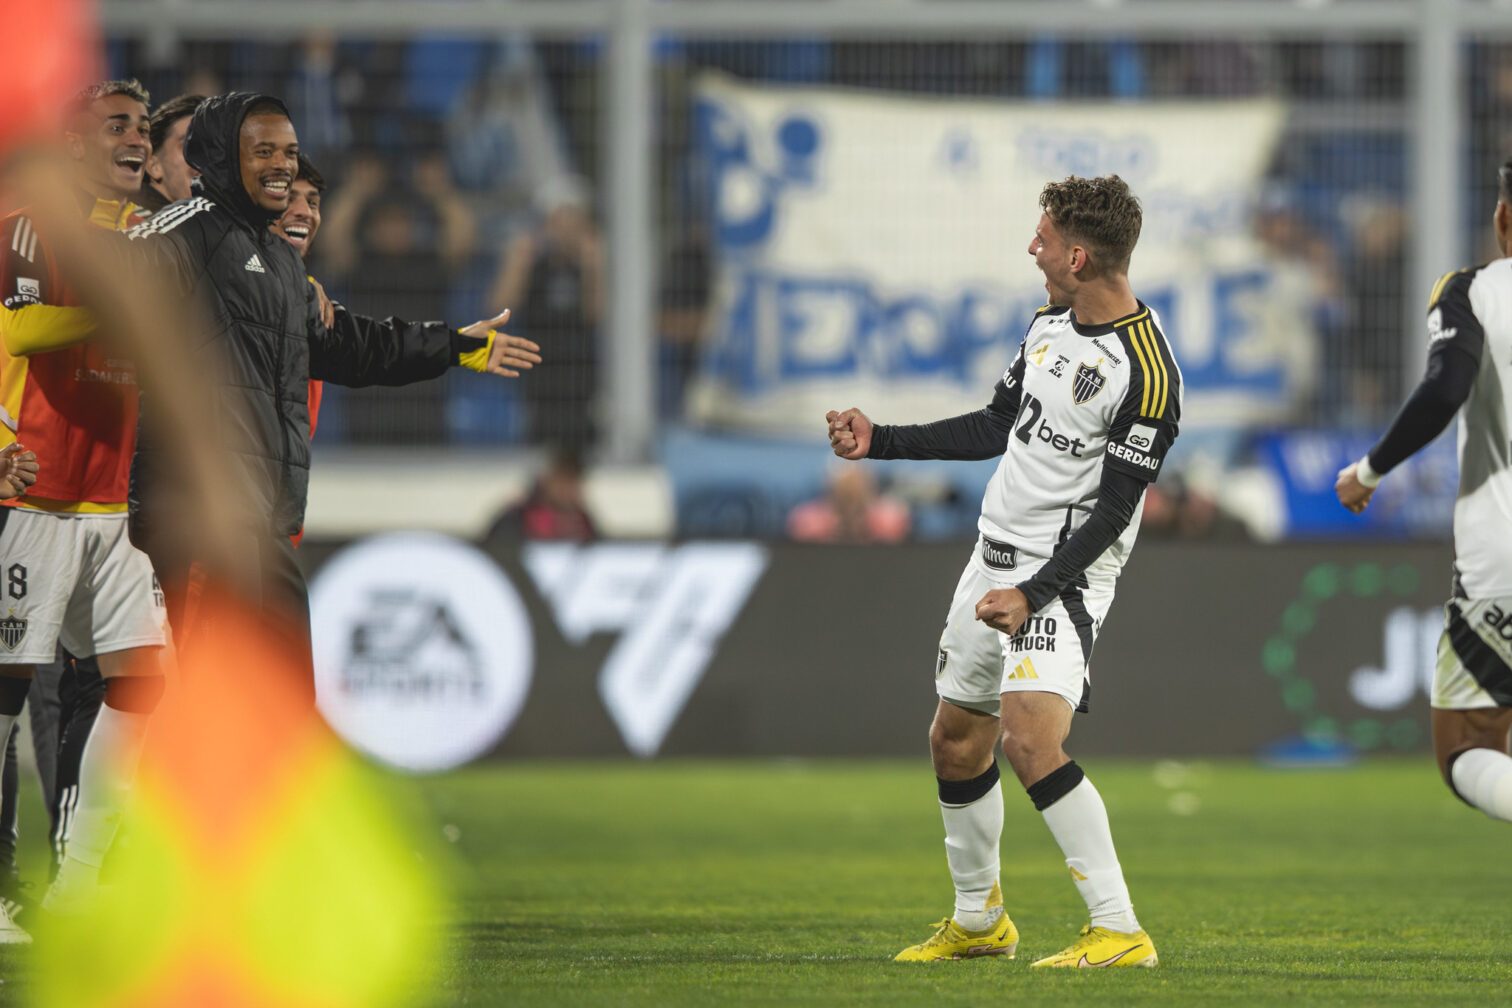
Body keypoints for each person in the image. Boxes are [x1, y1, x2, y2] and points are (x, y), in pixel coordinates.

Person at [826, 175, 1180, 968]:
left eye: (1043, 238)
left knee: (1029, 739)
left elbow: (1113, 515)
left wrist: (1032, 593)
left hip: (1061, 579)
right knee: (956, 742)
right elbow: (996, 425)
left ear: (1077, 257)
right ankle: (979, 922)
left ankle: (1120, 929)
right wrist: (882, 441)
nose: (1032, 248)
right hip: (991, 561)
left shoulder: (1148, 374)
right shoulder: (1050, 323)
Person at [119, 91, 540, 707]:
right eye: (263, 151)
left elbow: (353, 346)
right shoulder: (182, 233)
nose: (282, 166)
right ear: (222, 157)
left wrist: (456, 347)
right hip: (200, 522)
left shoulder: (280, 263)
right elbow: (100, 291)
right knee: (209, 716)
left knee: (287, 717)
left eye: (289, 152)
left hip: (265, 525)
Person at [0, 79, 171, 928]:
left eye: (143, 127)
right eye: (117, 126)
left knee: (143, 682)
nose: (137, 139)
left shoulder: (149, 238)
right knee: (5, 696)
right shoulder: (30, 225)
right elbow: (20, 329)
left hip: (114, 506)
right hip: (35, 494)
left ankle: (78, 885)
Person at [1336, 158, 1512, 827]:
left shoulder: (1473, 291)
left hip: (1502, 562)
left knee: (1468, 745)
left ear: (1502, 219)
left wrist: (1369, 470)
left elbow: (1444, 390)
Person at [139, 93, 205, 212]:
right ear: (154, 166)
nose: (205, 157)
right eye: (190, 145)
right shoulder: (132, 221)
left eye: (214, 147)